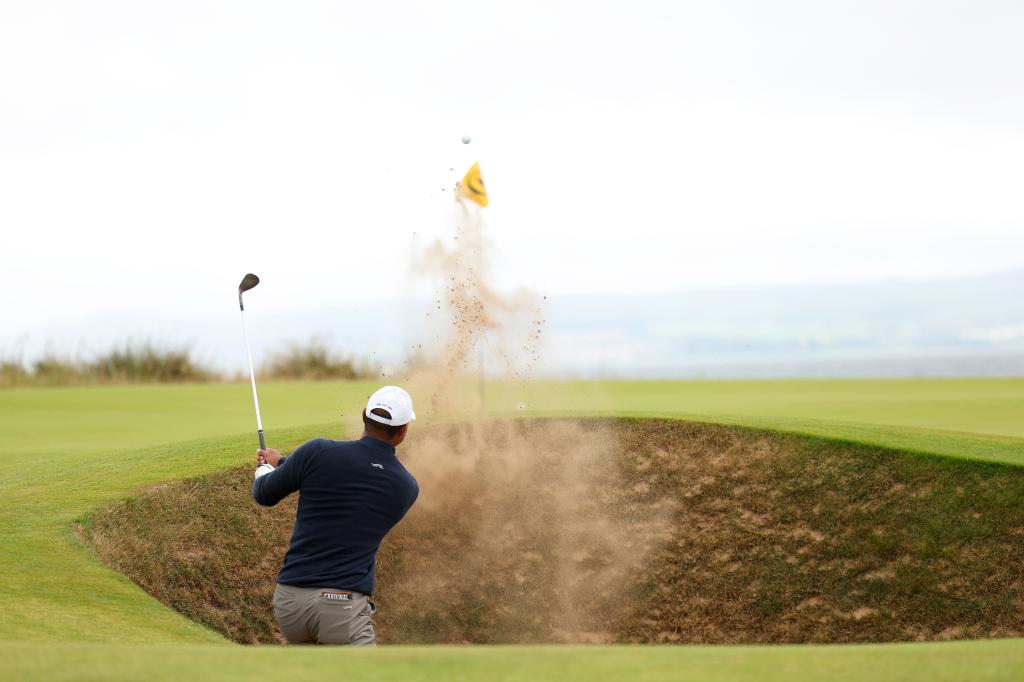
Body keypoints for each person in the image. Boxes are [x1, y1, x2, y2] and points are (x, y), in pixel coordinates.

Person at [252, 385, 419, 646]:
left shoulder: (317, 452)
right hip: (340, 608)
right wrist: (284, 464)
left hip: (289, 605)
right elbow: (355, 486)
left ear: (364, 415)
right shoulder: (406, 487)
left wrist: (266, 471)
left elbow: (265, 494)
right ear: (402, 432)